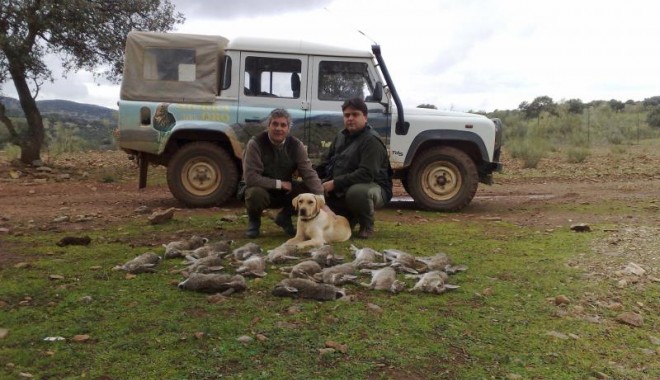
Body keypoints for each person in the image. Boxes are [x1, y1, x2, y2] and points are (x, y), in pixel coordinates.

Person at [240, 108, 324, 238]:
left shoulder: (296, 145)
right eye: (275, 124)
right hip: (262, 189)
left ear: (288, 129)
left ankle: (284, 216)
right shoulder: (255, 143)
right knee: (254, 193)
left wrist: (320, 197)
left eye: (283, 125)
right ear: (268, 126)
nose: (278, 128)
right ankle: (254, 221)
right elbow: (251, 178)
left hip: (285, 191)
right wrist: (279, 184)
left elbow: (309, 173)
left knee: (308, 189)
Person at [316, 97, 393, 239]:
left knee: (357, 193)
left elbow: (366, 174)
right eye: (347, 115)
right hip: (342, 189)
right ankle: (350, 217)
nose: (350, 118)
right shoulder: (340, 136)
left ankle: (367, 225)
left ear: (365, 117)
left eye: (355, 114)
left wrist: (334, 183)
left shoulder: (371, 141)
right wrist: (311, 178)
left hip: (373, 188)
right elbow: (325, 164)